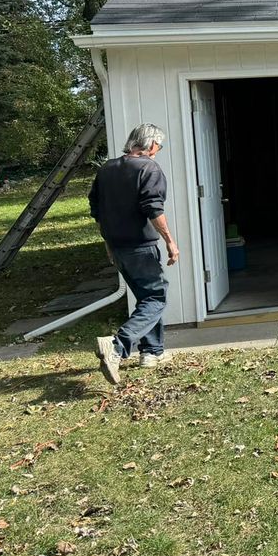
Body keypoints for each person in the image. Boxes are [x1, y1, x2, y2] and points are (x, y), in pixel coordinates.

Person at [88, 123, 180, 385]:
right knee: (155, 298)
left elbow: (96, 207)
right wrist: (170, 241)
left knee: (145, 298)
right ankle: (117, 346)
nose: (157, 152)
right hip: (141, 246)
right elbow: (153, 208)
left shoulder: (106, 169)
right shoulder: (149, 168)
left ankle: (152, 352)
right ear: (150, 145)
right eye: (158, 147)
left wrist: (107, 241)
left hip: (118, 246)